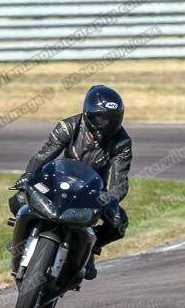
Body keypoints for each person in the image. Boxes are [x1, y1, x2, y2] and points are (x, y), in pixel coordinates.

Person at [11, 85, 131, 281]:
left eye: (113, 118)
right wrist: (29, 174)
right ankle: (21, 240)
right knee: (17, 199)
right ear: (89, 115)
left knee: (118, 223)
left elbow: (121, 182)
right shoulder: (69, 126)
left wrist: (108, 198)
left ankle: (90, 249)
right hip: (59, 179)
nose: (107, 123)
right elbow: (44, 155)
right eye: (102, 118)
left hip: (93, 190)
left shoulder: (122, 142)